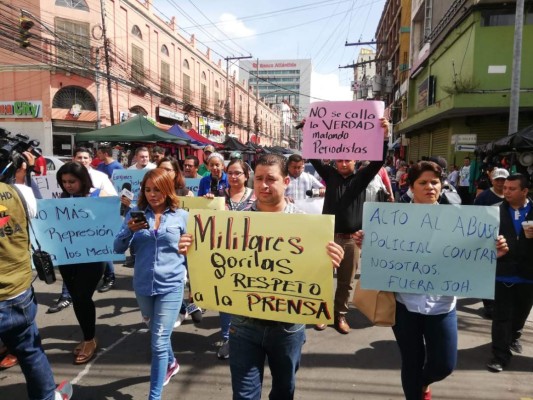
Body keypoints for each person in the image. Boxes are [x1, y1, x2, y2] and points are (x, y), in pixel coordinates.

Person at [178, 153, 344, 400]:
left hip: (287, 327)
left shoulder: (307, 225)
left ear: (286, 182)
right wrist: (193, 245)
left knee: (284, 391)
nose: (264, 185)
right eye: (258, 179)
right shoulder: (232, 223)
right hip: (243, 326)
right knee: (244, 395)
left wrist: (331, 258)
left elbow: (315, 273)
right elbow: (214, 257)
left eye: (271, 179)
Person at [354, 161, 508, 400]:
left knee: (444, 365)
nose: (430, 187)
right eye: (423, 182)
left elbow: (470, 257)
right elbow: (383, 253)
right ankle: (415, 392)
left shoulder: (462, 220)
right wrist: (368, 243)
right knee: (411, 362)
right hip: (406, 307)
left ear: (442, 185)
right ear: (411, 187)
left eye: (435, 182)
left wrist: (492, 253)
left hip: (442, 307)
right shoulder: (390, 219)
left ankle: (423, 382)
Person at [0, 152, 73, 399]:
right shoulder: (20, 193)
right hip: (17, 291)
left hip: (14, 290)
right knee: (30, 351)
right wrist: (23, 171)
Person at [309, 118, 389, 334]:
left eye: (348, 160)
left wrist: (384, 136)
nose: (343, 163)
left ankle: (340, 315)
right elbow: (314, 158)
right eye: (340, 160)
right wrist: (311, 129)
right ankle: (321, 312)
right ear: (335, 161)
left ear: (355, 161)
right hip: (328, 237)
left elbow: (378, 161)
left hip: (352, 239)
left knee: (346, 282)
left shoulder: (361, 178)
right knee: (323, 277)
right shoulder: (330, 175)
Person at [114, 169, 188, 399]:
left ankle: (153, 396)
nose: (153, 194)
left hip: (172, 285)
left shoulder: (182, 216)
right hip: (143, 286)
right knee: (158, 333)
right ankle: (172, 361)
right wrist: (129, 230)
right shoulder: (134, 216)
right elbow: (117, 248)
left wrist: (189, 246)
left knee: (158, 342)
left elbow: (197, 250)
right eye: (148, 190)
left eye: (157, 189)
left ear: (167, 190)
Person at [56, 162, 108, 364]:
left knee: (82, 296)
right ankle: (88, 336)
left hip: (93, 256)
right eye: (64, 182)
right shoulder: (62, 198)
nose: (68, 185)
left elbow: (112, 217)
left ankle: (89, 340)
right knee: (77, 299)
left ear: (82, 180)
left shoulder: (98, 195)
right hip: (68, 256)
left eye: (72, 181)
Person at [487, 173, 533, 373]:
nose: (506, 192)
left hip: (528, 275)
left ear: (525, 191)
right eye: (505, 188)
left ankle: (514, 336)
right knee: (501, 317)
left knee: (520, 314)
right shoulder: (493, 212)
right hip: (502, 274)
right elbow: (480, 240)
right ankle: (500, 355)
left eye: (512, 189)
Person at [215, 158, 256, 360]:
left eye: (237, 173)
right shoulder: (219, 197)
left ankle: (246, 336)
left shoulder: (256, 197)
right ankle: (227, 337)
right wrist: (208, 205)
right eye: (230, 172)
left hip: (251, 257)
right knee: (226, 297)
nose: (233, 176)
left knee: (247, 295)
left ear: (246, 176)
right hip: (225, 256)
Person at [474, 167, 509, 319]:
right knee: (486, 273)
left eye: (503, 179)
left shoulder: (511, 195)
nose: (500, 182)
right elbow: (474, 216)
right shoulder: (484, 197)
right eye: (497, 179)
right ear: (492, 180)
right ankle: (488, 305)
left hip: (506, 240)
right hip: (487, 240)